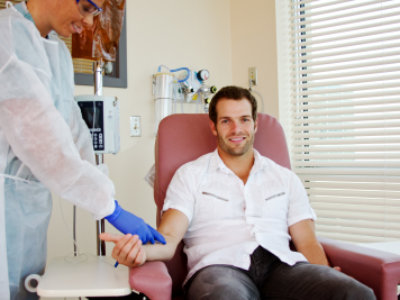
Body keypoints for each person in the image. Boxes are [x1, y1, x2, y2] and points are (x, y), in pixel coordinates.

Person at [101, 86, 375, 300]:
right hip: (218, 270)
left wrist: (324, 273)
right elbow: (170, 237)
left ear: (255, 124)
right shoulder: (190, 175)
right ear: (213, 127)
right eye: (226, 121)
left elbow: (307, 242)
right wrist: (140, 252)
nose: (236, 130)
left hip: (282, 266)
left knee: (356, 293)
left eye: (244, 120)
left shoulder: (285, 178)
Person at [0, 1, 164, 299]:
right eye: (87, 8)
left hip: (29, 208)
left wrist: (107, 197)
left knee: (23, 288)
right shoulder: (6, 39)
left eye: (95, 13)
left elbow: (74, 131)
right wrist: (111, 210)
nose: (88, 24)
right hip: (5, 203)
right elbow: (45, 143)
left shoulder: (57, 53)